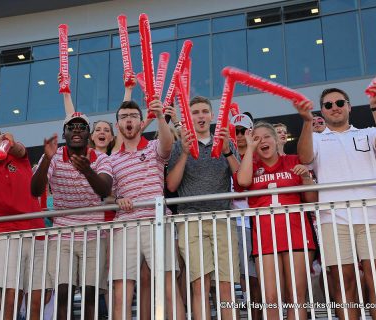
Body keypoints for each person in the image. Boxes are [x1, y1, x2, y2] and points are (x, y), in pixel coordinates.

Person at [296, 81, 376, 320]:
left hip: (372, 217)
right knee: (342, 282)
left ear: (349, 107)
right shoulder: (316, 138)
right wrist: (307, 122)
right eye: (328, 105)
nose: (334, 107)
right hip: (333, 220)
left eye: (340, 103)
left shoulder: (368, 133)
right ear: (323, 111)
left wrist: (375, 106)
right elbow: (304, 156)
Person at [31, 112, 112, 320]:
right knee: (63, 294)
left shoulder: (100, 158)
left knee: (90, 296)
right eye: (71, 126)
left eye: (82, 127)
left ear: (89, 135)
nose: (76, 129)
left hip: (94, 234)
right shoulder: (52, 155)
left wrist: (87, 171)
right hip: (62, 234)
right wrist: (47, 160)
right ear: (64, 133)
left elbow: (104, 189)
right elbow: (35, 190)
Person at [110, 98, 185, 320]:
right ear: (118, 126)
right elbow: (107, 195)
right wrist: (117, 199)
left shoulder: (153, 147)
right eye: (123, 117)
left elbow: (168, 144)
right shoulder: (111, 159)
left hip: (156, 223)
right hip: (125, 227)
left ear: (142, 123)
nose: (128, 120)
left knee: (169, 287)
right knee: (121, 293)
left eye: (133, 116)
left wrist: (161, 116)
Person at [166, 96, 241, 320]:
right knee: (200, 285)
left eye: (204, 111)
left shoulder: (227, 143)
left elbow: (241, 180)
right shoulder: (179, 145)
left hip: (223, 218)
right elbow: (171, 184)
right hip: (191, 220)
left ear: (211, 115)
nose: (200, 116)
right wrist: (186, 153)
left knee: (226, 286)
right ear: (189, 117)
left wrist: (228, 151)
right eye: (195, 112)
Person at [235, 122, 317, 320]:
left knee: (296, 296)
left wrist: (306, 178)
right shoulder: (251, 166)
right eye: (257, 138)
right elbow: (243, 182)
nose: (262, 141)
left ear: (276, 139)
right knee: (271, 297)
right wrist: (250, 149)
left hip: (296, 234)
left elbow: (312, 200)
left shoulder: (293, 161)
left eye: (266, 137)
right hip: (265, 236)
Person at [0, 120, 48, 320]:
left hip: (37, 230)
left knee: (38, 295)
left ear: (0, 135)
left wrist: (9, 143)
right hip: (6, 234)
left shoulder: (15, 154)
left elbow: (22, 150)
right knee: (10, 294)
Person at [230, 113, 262, 320]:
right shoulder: (224, 155)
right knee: (246, 277)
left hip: (259, 220)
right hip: (237, 222)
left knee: (260, 276)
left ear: (251, 131)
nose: (240, 135)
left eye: (243, 130)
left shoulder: (261, 154)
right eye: (236, 131)